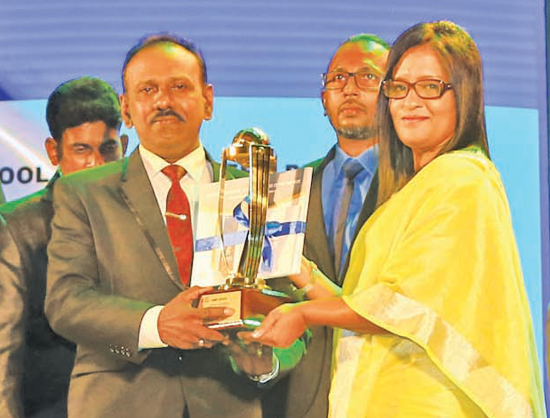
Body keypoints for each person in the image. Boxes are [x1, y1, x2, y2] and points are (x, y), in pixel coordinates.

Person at [251, 21, 545, 417]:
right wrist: (299, 270)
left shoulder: (462, 177)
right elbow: (373, 306)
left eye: (430, 86)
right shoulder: (413, 190)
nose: (410, 101)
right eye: (399, 87)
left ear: (466, 95)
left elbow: (402, 306)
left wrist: (301, 313)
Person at [45, 34, 301, 418]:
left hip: (228, 403)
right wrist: (155, 324)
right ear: (127, 108)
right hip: (119, 404)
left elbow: (294, 311)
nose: (163, 101)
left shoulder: (259, 191)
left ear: (208, 100)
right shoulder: (83, 193)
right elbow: (65, 301)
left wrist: (267, 360)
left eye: (179, 86)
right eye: (148, 89)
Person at [264, 34, 389, 418]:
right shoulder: (281, 193)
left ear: (394, 95)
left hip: (387, 391)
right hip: (304, 400)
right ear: (323, 100)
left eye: (366, 77)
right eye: (337, 79)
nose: (349, 89)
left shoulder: (418, 187)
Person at [0, 76, 128, 418]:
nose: (97, 165)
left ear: (125, 146)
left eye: (108, 149)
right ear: (54, 151)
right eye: (81, 150)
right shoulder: (19, 228)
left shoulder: (147, 217)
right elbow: (4, 358)